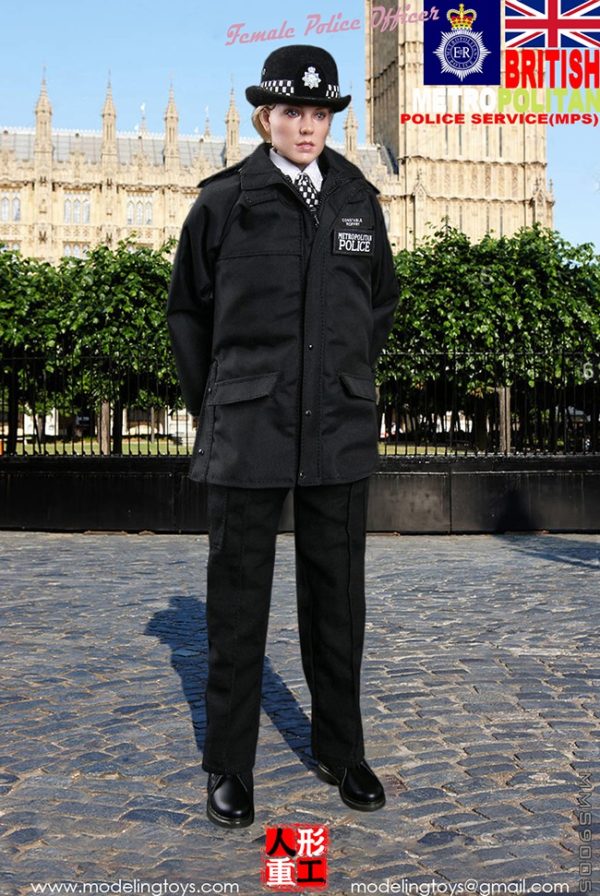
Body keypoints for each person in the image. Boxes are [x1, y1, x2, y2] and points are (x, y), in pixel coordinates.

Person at [166, 44, 399, 829]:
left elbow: (379, 305)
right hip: (249, 429)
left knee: (339, 602)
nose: (307, 125)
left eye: (320, 111)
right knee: (238, 609)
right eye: (293, 111)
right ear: (266, 116)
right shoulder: (227, 201)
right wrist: (219, 402)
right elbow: (186, 311)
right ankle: (229, 764)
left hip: (335, 427)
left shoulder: (360, 199)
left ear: (334, 116)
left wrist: (346, 379)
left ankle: (342, 749)